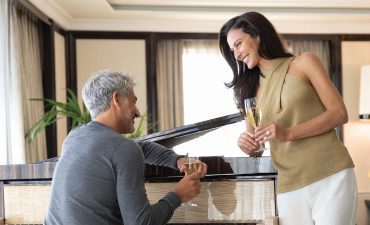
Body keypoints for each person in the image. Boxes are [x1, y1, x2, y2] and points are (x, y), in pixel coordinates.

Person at [219, 11, 357, 225]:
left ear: (256, 35)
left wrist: (287, 133)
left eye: (238, 44)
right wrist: (248, 145)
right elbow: (257, 144)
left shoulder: (304, 63)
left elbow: (339, 113)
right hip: (288, 184)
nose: (236, 54)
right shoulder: (250, 91)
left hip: (330, 174)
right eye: (231, 50)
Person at [44, 69, 207, 225]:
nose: (137, 112)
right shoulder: (124, 149)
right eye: (133, 101)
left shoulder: (74, 137)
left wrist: (177, 160)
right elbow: (142, 222)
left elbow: (139, 147)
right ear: (116, 99)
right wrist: (178, 195)